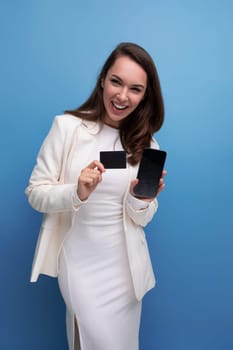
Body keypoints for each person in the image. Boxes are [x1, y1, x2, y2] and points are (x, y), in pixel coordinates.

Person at [25, 42, 166, 350]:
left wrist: (140, 200)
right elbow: (36, 193)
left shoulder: (147, 145)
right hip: (80, 265)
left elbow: (141, 218)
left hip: (126, 272)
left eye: (135, 89)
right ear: (103, 79)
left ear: (145, 96)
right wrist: (76, 192)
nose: (122, 96)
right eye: (116, 81)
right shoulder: (67, 128)